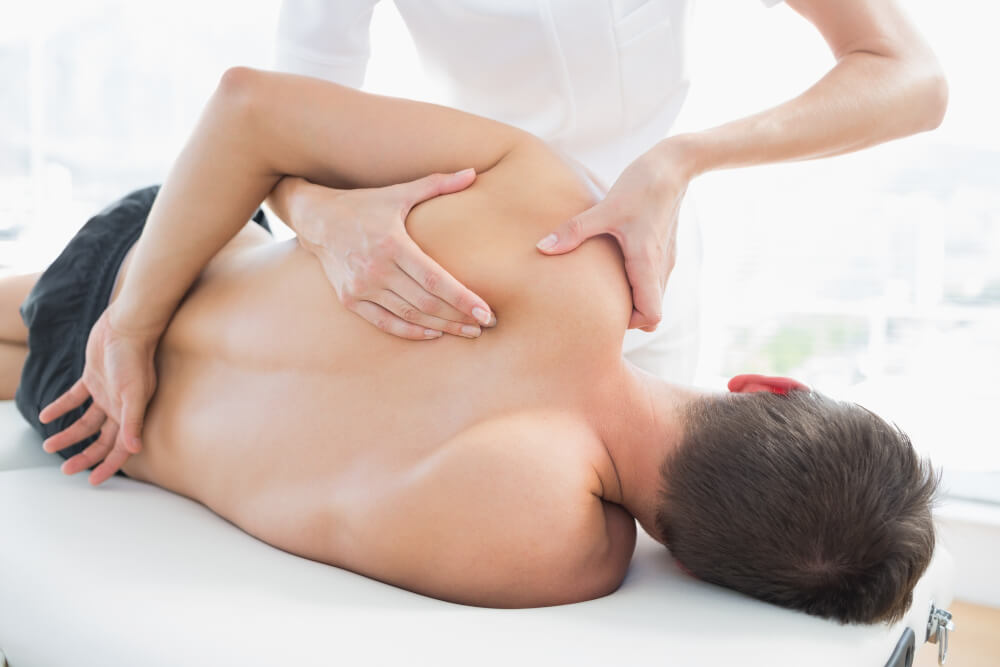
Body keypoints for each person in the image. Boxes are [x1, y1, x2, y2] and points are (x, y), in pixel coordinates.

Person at [8, 68, 937, 622]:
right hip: (96, 424)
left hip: (157, 260)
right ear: (696, 564)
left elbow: (248, 105)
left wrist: (129, 321)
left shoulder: (567, 229)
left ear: (767, 384)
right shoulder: (557, 554)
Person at [270, 0, 948, 381]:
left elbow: (910, 77)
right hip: (473, 290)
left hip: (658, 282)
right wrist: (316, 217)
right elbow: (276, 131)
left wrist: (681, 160)